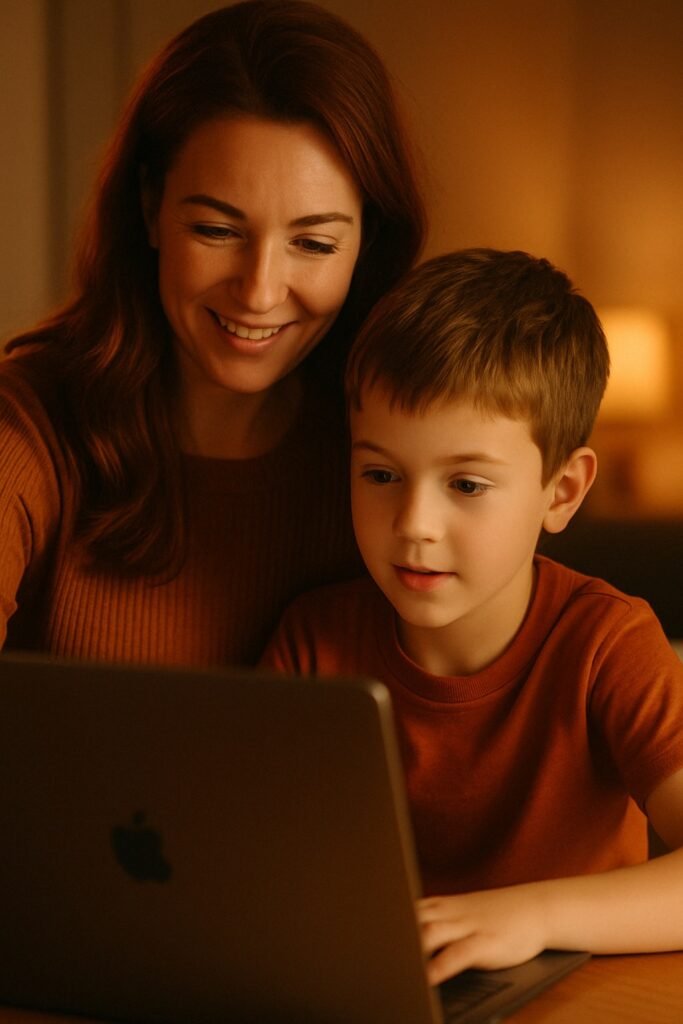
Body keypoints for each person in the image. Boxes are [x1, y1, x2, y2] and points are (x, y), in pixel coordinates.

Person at [262, 249, 683, 984]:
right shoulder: (314, 640)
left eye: (465, 483)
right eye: (381, 475)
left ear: (560, 491)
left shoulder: (606, 642)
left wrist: (527, 917)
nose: (414, 523)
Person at [0, 0, 425, 664]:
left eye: (312, 243)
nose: (259, 291)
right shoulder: (30, 426)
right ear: (149, 209)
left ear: (367, 244)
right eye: (216, 231)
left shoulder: (392, 453)